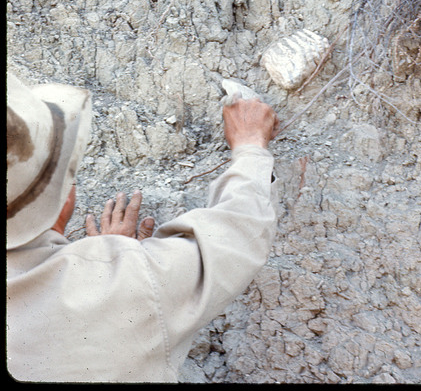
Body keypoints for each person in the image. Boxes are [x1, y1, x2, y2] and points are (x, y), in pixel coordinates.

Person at [6, 72, 279, 382]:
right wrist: (251, 147)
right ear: (63, 194)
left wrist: (99, 265)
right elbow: (239, 233)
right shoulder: (126, 283)